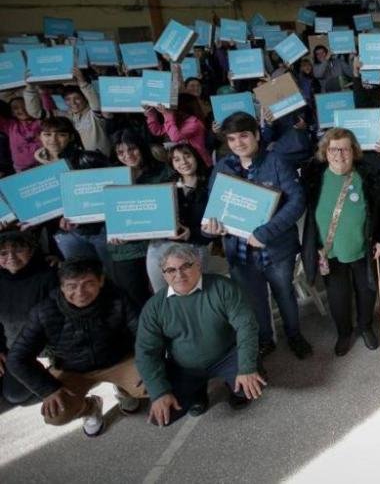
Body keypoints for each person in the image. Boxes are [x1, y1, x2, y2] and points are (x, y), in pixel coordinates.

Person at [202, 112, 313, 360]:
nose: (238, 143)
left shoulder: (276, 161)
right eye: (231, 139)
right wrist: (209, 228)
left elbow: (297, 202)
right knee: (254, 299)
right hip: (239, 252)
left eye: (243, 136)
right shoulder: (222, 168)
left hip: (275, 248)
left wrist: (266, 232)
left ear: (256, 134)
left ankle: (294, 334)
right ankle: (265, 339)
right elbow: (212, 210)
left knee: (284, 293)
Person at [7, 259, 146, 437]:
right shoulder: (43, 311)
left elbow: (144, 334)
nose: (80, 293)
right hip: (72, 369)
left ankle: (124, 390)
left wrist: (146, 364)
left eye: (88, 284)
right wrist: (48, 389)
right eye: (71, 286)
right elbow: (17, 358)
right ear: (62, 286)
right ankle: (90, 407)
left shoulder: (118, 298)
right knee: (56, 414)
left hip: (117, 360)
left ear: (101, 281)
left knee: (153, 382)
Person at [136, 244, 264, 425]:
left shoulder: (223, 287)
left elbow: (247, 326)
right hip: (184, 367)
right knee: (165, 415)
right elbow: (145, 352)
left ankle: (232, 385)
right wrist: (159, 392)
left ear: (199, 265)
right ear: (164, 274)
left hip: (226, 356)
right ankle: (197, 393)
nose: (179, 275)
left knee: (253, 385)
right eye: (171, 270)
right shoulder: (154, 307)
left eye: (185, 266)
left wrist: (246, 368)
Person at [301, 128, 380, 356]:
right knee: (337, 296)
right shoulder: (314, 177)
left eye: (345, 149)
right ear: (325, 151)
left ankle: (365, 326)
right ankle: (344, 332)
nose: (339, 154)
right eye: (333, 149)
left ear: (354, 151)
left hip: (364, 248)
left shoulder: (368, 175)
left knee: (367, 291)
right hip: (329, 252)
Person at [105, 129, 169, 309]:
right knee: (135, 300)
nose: (127, 156)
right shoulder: (110, 178)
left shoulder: (162, 172)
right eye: (120, 152)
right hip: (125, 248)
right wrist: (112, 232)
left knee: (166, 297)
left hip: (157, 244)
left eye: (132, 149)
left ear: (142, 148)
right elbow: (103, 213)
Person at [0, 232, 58, 405]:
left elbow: (58, 321)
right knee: (12, 394)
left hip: (44, 349)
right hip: (14, 350)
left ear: (31, 250)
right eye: (3, 253)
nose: (11, 257)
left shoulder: (48, 275)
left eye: (18, 250)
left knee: (16, 395)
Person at [146, 143, 212, 293]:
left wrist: (191, 233)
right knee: (163, 296)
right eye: (177, 159)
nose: (183, 162)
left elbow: (212, 230)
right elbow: (152, 221)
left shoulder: (211, 185)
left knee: (194, 295)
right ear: (172, 165)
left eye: (187, 156)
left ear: (196, 157)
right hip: (162, 247)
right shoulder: (165, 187)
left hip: (195, 246)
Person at [25, 68, 112, 156]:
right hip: (75, 161)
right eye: (68, 99)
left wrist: (82, 83)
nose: (73, 103)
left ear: (85, 99)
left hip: (100, 159)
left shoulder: (94, 114)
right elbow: (36, 113)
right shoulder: (64, 116)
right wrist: (30, 88)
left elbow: (95, 104)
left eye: (77, 98)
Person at [144, 94, 213, 167]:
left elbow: (175, 137)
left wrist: (167, 115)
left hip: (201, 163)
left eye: (172, 107)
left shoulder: (194, 122)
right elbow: (158, 131)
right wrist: (151, 114)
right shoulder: (177, 121)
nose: (169, 109)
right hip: (185, 164)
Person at [0, 95, 44, 172]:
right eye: (16, 108)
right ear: (12, 113)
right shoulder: (10, 126)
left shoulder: (41, 122)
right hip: (22, 169)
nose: (22, 109)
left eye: (26, 106)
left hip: (43, 163)